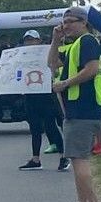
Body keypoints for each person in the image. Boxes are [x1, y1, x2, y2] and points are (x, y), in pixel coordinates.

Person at [49, 8, 101, 202]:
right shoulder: (73, 45)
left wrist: (65, 83)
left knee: (79, 159)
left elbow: (92, 69)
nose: (65, 26)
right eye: (63, 22)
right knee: (75, 158)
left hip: (84, 108)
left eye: (70, 22)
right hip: (74, 110)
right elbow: (52, 64)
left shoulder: (88, 41)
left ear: (83, 22)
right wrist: (55, 40)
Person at [15, 29, 65, 171]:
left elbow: (58, 64)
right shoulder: (21, 55)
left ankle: (63, 157)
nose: (30, 42)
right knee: (35, 128)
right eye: (27, 40)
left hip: (46, 93)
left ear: (39, 40)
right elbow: (13, 70)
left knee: (50, 126)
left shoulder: (48, 51)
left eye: (32, 39)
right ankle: (35, 159)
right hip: (30, 94)